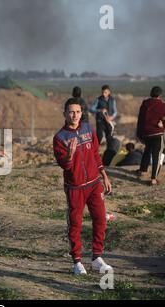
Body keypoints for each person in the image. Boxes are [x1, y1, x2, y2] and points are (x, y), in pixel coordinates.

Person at [53, 97, 113, 276]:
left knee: (101, 219)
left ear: (82, 113)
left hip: (94, 184)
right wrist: (70, 155)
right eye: (71, 112)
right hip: (75, 187)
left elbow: (95, 153)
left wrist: (104, 176)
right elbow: (65, 166)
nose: (75, 115)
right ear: (65, 114)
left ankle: (96, 258)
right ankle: (77, 261)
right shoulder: (59, 138)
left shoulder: (88, 128)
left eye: (78, 112)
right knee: (76, 224)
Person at [136, 86, 165, 185]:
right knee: (157, 155)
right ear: (160, 95)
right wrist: (164, 122)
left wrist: (139, 134)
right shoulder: (163, 105)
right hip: (157, 133)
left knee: (147, 151)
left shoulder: (145, 104)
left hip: (146, 133)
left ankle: (142, 171)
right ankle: (154, 178)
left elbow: (140, 120)